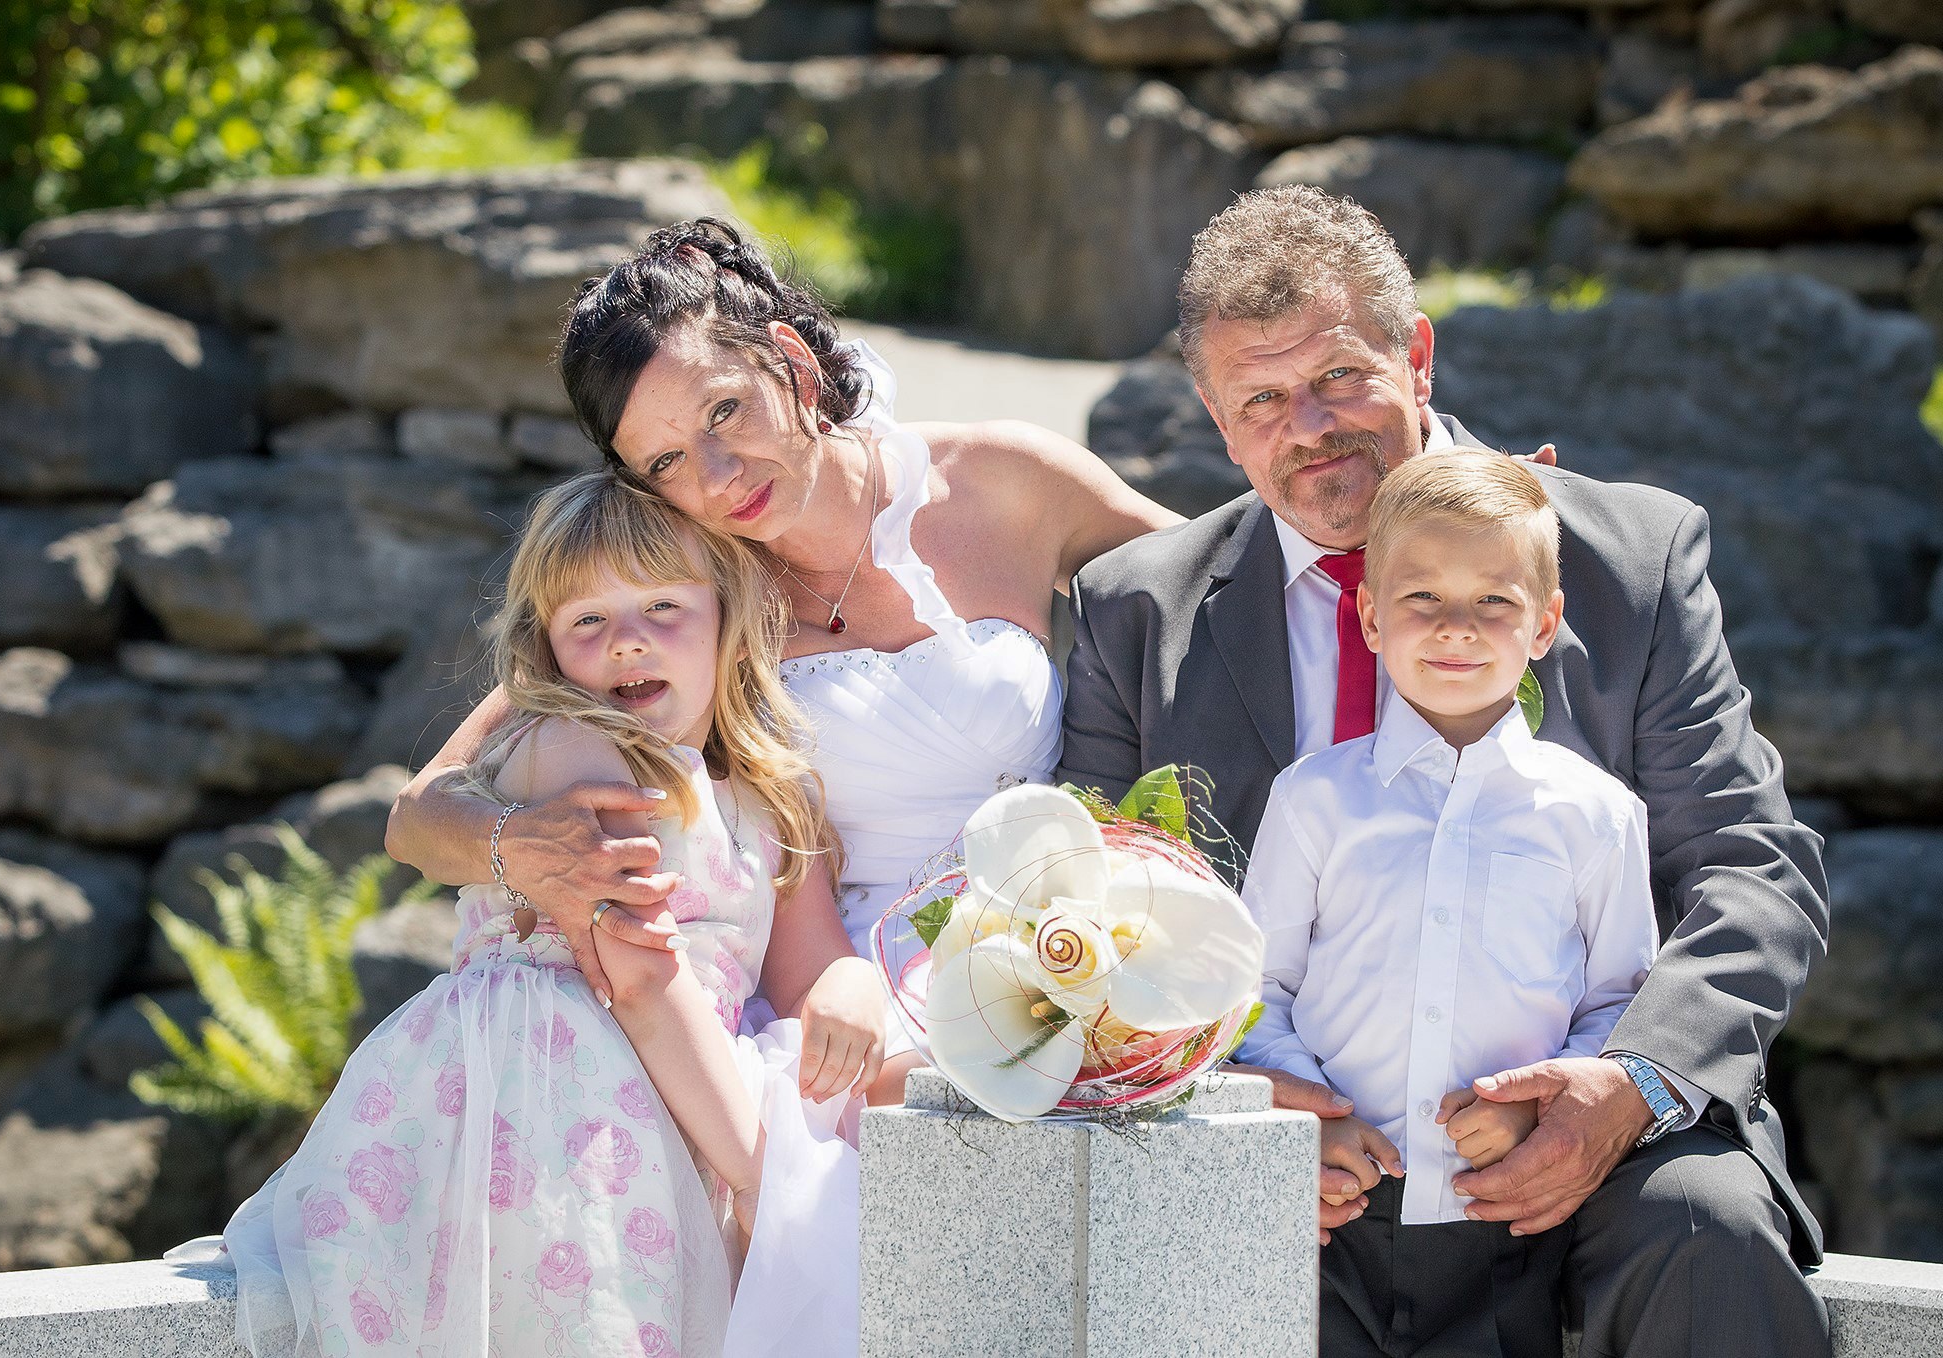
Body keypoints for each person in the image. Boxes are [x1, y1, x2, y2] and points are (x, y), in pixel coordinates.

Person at [1059, 184, 1832, 1356]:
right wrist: (1233, 1097)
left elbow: (1748, 866)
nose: (1306, 426)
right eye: (1260, 400)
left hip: (1594, 1126)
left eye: (1337, 379)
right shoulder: (1137, 611)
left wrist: (1627, 1085)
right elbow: (1085, 905)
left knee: (1705, 1225)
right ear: (1218, 422)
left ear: (1414, 354)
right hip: (1277, 1143)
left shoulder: (1628, 558)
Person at [385, 219, 1176, 1078]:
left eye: (726, 409)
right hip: (836, 1003)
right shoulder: (679, 603)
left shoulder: (1003, 480)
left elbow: (1222, 598)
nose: (718, 473)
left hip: (1080, 944)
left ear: (792, 360)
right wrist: (523, 845)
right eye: (666, 462)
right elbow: (420, 818)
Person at [204, 474, 867, 1358]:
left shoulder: (770, 800)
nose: (626, 643)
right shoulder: (577, 749)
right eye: (587, 621)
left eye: (662, 605)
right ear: (548, 649)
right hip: (549, 1101)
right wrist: (756, 1169)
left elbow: (807, 965)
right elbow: (638, 975)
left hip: (670, 1102)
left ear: (731, 616)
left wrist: (851, 980)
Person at [1241, 451, 1661, 1355]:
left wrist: (1540, 1108)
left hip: (1509, 1232)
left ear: (1544, 624)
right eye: (1423, 599)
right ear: (1370, 617)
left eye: (1495, 604)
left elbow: (1620, 1002)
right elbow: (1253, 989)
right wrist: (1308, 1116)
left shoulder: (1596, 815)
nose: (1457, 630)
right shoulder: (1313, 799)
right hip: (1326, 1225)